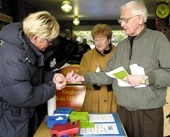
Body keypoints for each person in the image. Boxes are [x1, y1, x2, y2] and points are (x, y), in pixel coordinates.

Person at [66, 1, 170, 137]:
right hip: (123, 112)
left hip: (148, 113)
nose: (121, 24)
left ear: (140, 19)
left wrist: (145, 79)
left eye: (125, 19)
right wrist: (83, 77)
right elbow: (109, 75)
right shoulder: (121, 46)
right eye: (120, 20)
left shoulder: (158, 39)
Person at [0, 11, 66, 137]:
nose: (50, 45)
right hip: (12, 119)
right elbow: (25, 97)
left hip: (23, 116)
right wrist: (53, 86)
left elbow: (32, 76)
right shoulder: (13, 57)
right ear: (36, 38)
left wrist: (52, 76)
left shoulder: (26, 48)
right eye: (49, 41)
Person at [78, 24, 117, 113]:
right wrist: (94, 84)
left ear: (109, 39)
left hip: (113, 98)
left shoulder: (118, 54)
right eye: (96, 40)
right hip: (93, 98)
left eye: (102, 39)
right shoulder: (87, 56)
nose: (98, 43)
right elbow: (82, 75)